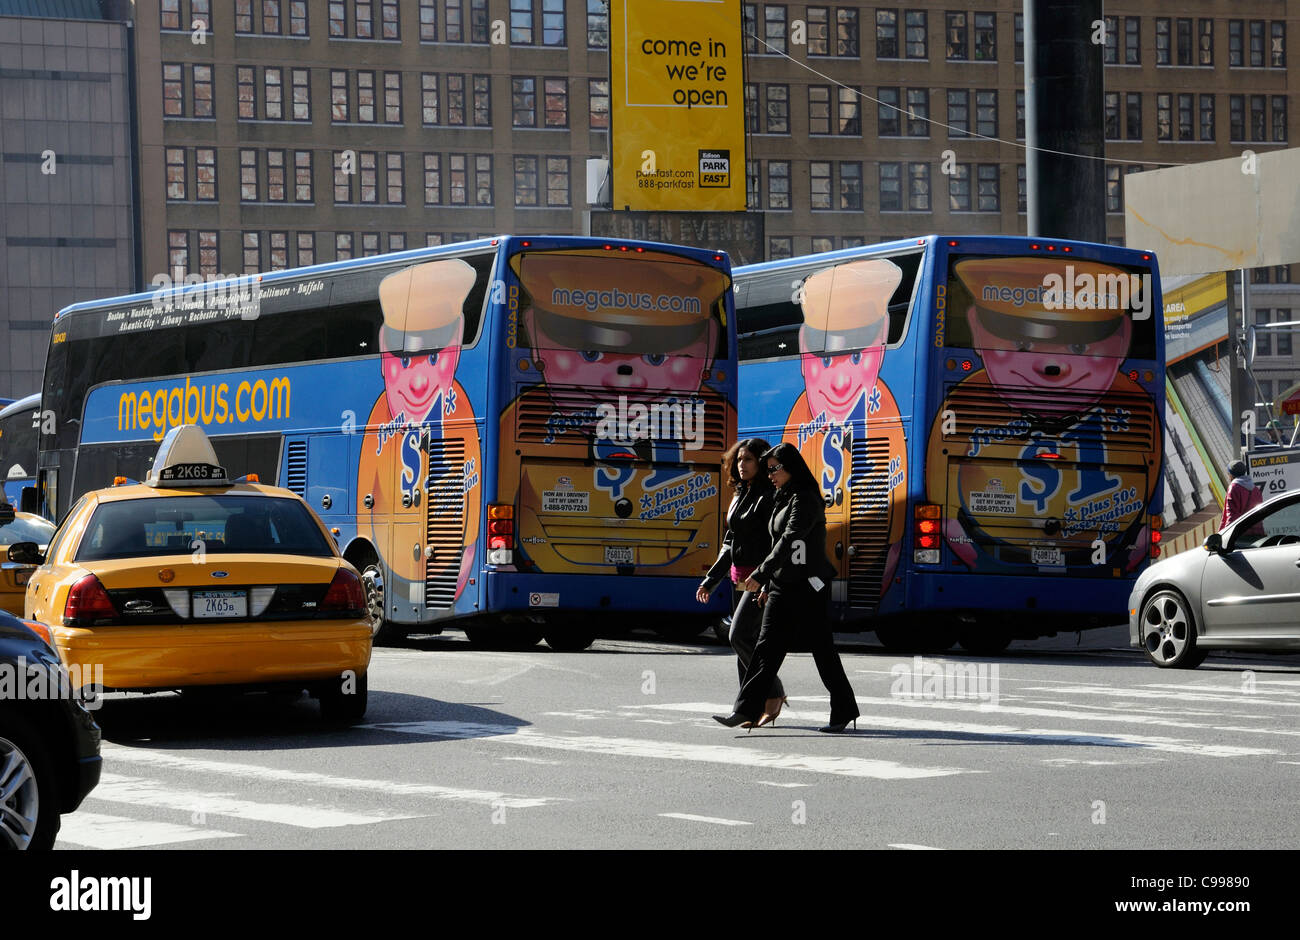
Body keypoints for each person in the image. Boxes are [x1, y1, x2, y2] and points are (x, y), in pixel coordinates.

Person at [714, 442, 860, 733]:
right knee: (766, 649)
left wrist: (761, 572)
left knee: (822, 650)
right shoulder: (782, 496)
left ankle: (844, 709)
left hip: (809, 585)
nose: (770, 475)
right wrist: (768, 580)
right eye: (768, 470)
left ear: (790, 467)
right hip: (782, 583)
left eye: (774, 469)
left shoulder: (806, 498)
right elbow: (772, 542)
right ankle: (744, 710)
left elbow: (790, 539)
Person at [696, 438, 786, 721]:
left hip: (759, 579)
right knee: (745, 644)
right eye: (738, 460)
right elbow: (729, 541)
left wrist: (768, 581)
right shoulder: (739, 494)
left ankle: (773, 691)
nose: (741, 465)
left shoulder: (770, 496)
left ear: (761, 462)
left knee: (738, 637)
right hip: (738, 577)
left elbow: (777, 543)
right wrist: (711, 579)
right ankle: (751, 708)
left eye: (748, 459)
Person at [1221, 460, 1265, 531]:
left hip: (1241, 535)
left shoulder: (1234, 488)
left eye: (1228, 474)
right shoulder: (1256, 490)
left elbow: (1231, 516)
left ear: (1231, 475)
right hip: (1257, 533)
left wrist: (1226, 537)